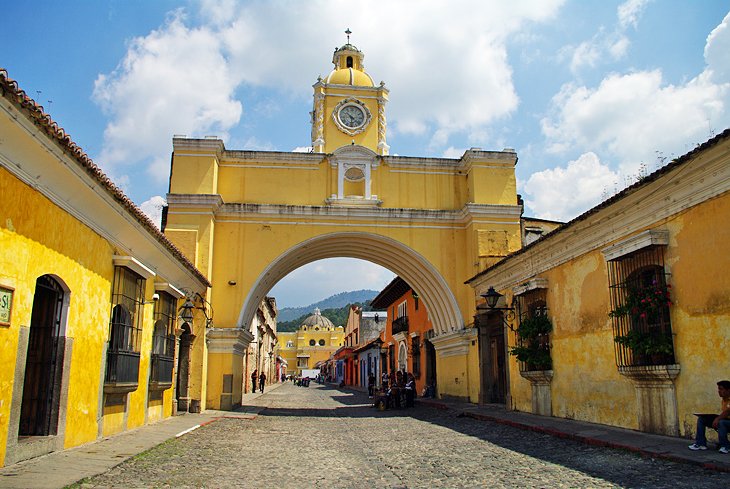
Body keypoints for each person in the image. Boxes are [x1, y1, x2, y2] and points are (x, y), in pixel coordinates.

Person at [689, 380, 730, 454]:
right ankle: (700, 443)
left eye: (721, 389)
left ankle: (726, 446)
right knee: (702, 419)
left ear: (728, 390)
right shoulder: (724, 400)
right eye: (718, 389)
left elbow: (728, 411)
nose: (719, 391)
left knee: (721, 422)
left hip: (725, 422)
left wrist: (717, 419)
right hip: (726, 420)